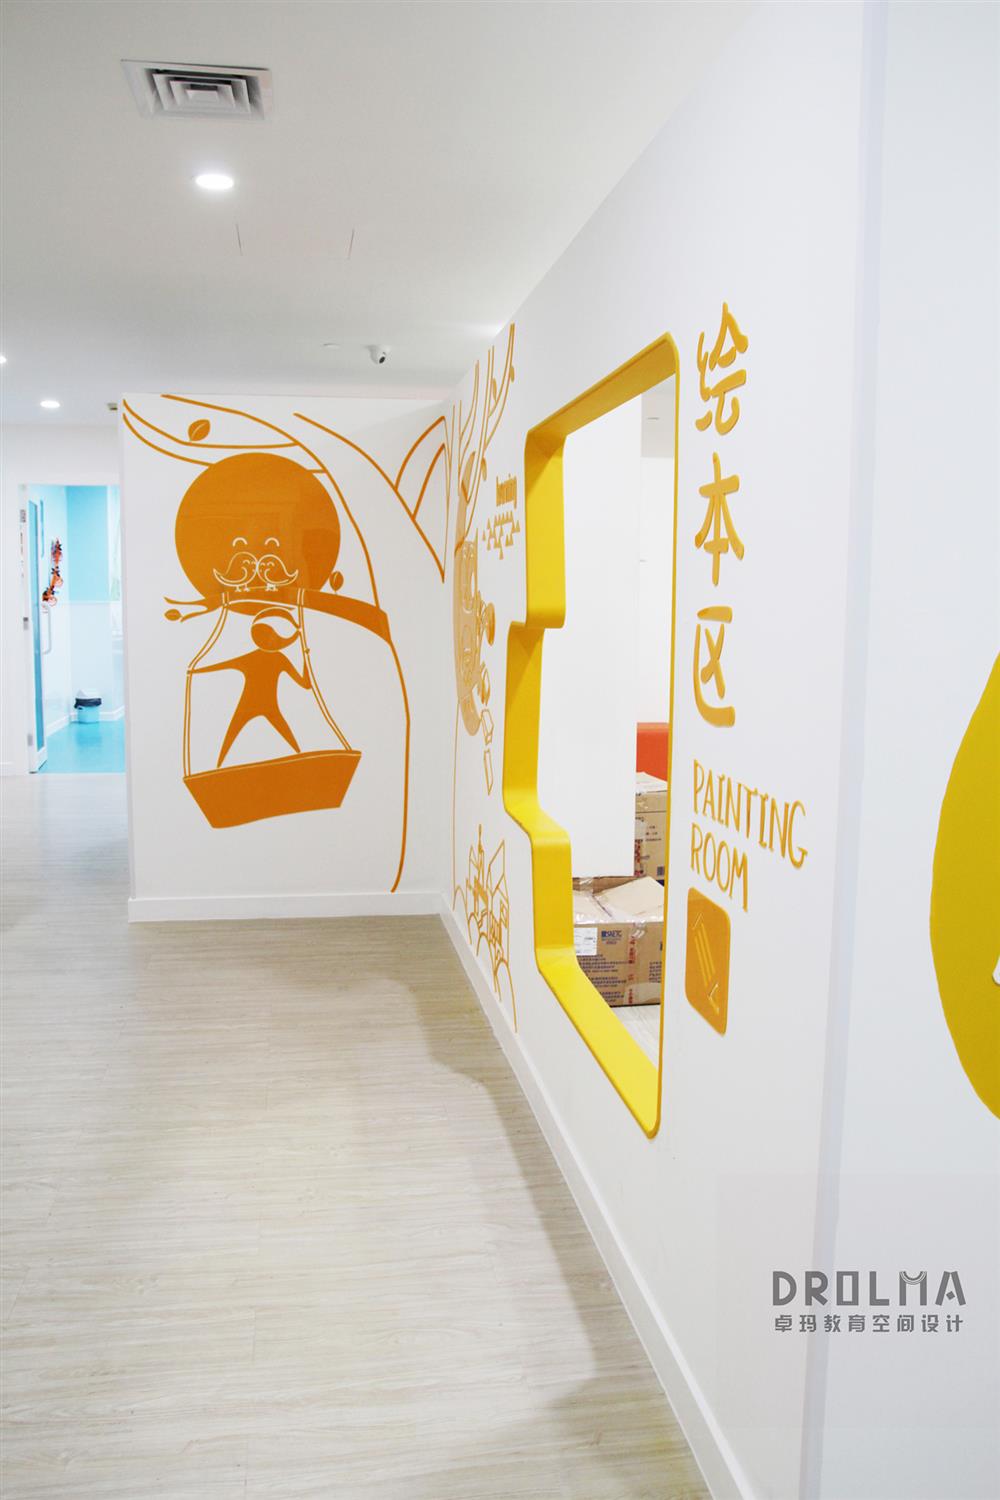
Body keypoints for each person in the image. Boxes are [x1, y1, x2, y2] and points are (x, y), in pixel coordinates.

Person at [193, 612, 310, 767]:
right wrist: (195, 671)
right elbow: (223, 665)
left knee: (281, 733)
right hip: (248, 705)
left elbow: (305, 684)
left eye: (273, 636)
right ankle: (218, 765)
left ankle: (301, 757)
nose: (272, 639)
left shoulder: (279, 659)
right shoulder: (256, 658)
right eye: (270, 636)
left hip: (267, 705)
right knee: (231, 735)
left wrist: (305, 658)